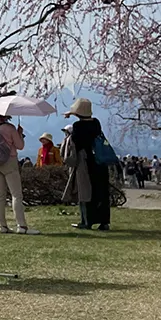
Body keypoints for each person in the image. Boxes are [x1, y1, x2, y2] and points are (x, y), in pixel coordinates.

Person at [0, 113, 38, 234]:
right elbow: (20, 146)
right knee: (16, 195)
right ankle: (21, 226)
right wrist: (19, 133)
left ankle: (2, 225)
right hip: (9, 161)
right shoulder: (9, 128)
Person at [65, 97, 111, 231]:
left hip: (85, 162)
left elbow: (76, 143)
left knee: (86, 192)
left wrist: (71, 115)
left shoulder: (78, 126)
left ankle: (87, 220)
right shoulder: (96, 123)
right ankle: (104, 222)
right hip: (100, 161)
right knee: (101, 191)